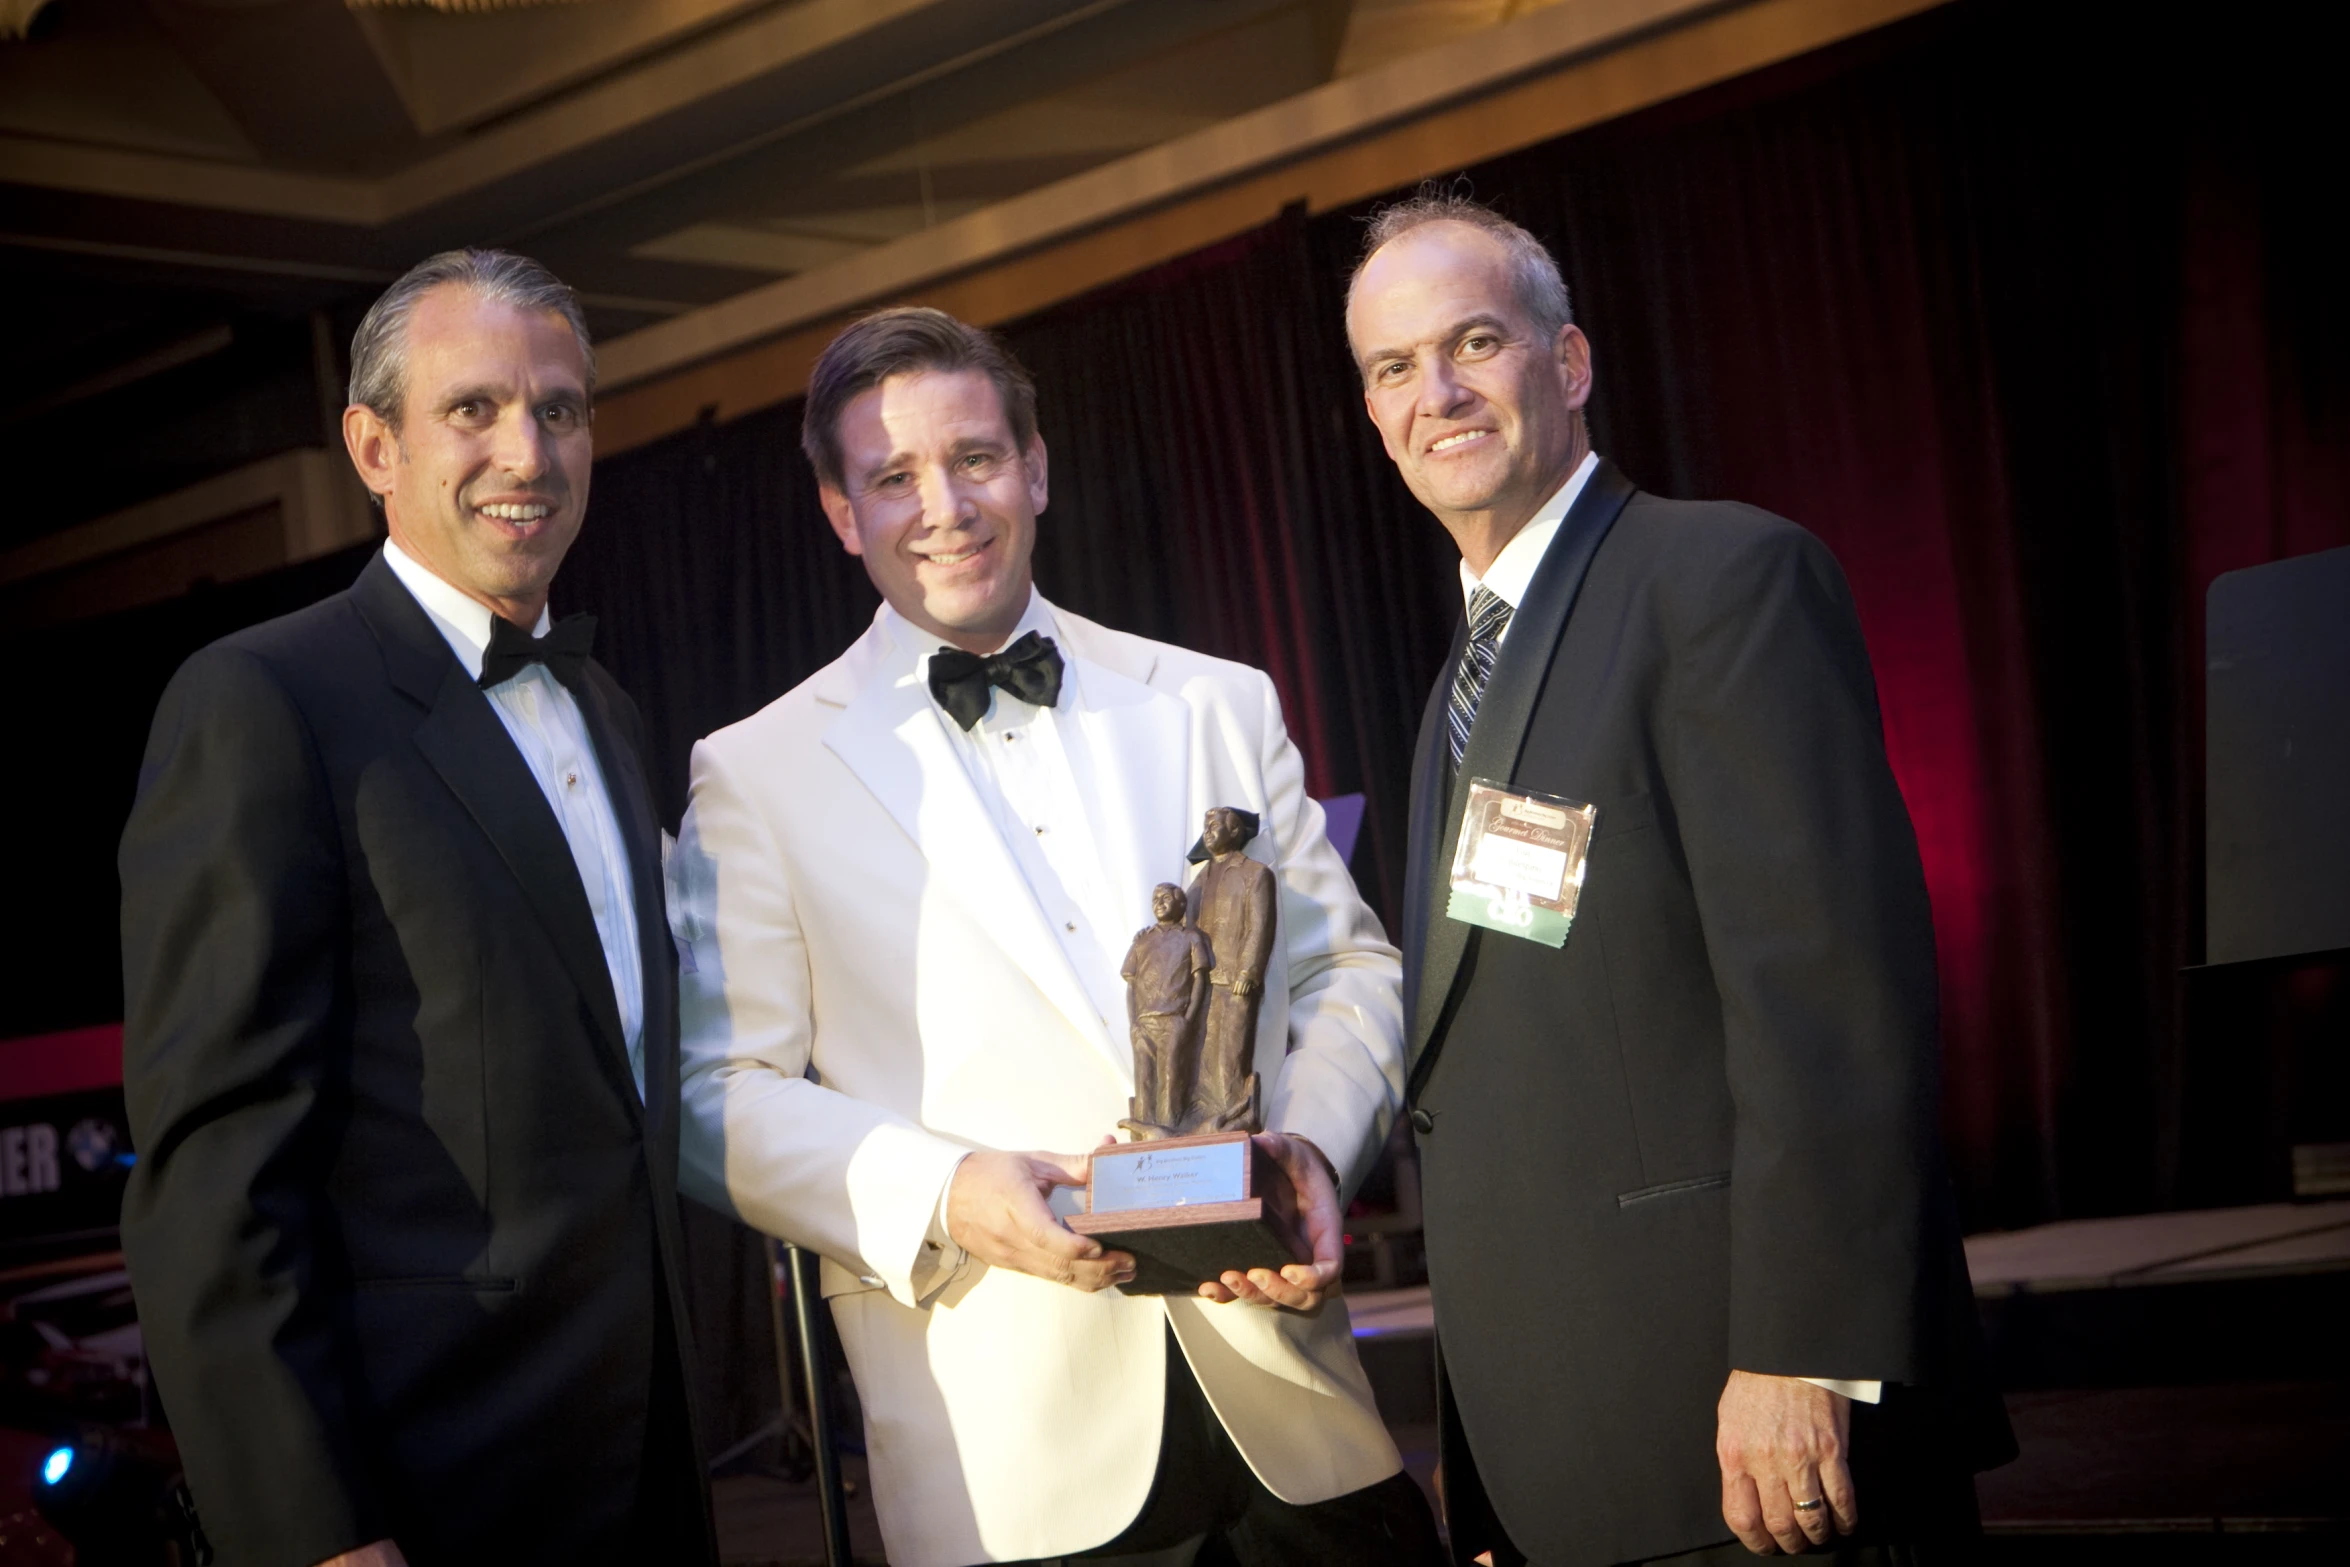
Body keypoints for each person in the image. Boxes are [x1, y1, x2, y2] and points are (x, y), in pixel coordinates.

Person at [666, 307, 1444, 1567]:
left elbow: (1349, 968)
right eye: (892, 476)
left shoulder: (1210, 698)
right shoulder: (755, 773)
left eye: (974, 457)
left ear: (1036, 465)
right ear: (838, 511)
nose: (946, 506)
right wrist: (947, 1194)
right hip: (1008, 1458)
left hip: (1294, 1414)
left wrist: (1311, 1151)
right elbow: (713, 1097)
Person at [1343, 194, 2015, 1566]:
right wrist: (1488, 1463)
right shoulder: (1456, 684)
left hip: (1754, 1437)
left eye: (1474, 341)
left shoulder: (1717, 577)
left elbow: (1827, 1002)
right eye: (1392, 367)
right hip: (1575, 1453)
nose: (1439, 393)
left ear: (1570, 362)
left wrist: (1801, 1348)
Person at [118, 250, 715, 1567]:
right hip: (427, 1481)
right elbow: (215, 1175)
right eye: (475, 409)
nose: (529, 449)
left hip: (644, 1459)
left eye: (559, 408)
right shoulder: (263, 698)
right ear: (372, 445)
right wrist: (313, 1527)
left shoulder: (604, 707)